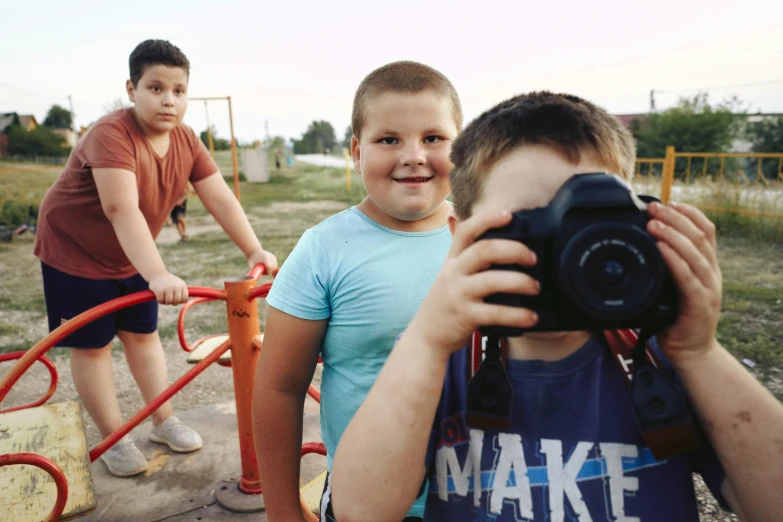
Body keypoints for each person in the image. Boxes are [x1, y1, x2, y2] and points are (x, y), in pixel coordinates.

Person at [330, 92, 783, 521]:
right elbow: (361, 512)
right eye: (530, 228)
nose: (563, 256)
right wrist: (426, 344)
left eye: (590, 226)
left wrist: (700, 352)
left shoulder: (666, 359)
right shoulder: (437, 365)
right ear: (459, 238)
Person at [34, 39, 278, 478]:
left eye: (179, 91)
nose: (169, 100)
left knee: (143, 336)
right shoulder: (111, 134)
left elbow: (219, 196)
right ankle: (113, 437)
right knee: (93, 348)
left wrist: (253, 247)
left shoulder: (186, 139)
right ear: (132, 89)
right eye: (156, 88)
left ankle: (164, 420)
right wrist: (158, 272)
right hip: (75, 250)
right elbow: (120, 209)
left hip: (130, 252)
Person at [252, 61, 463, 522]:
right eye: (389, 139)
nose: (413, 155)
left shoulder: (490, 235)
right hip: (367, 505)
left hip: (493, 497)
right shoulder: (323, 250)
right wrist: (283, 511)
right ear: (356, 152)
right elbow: (279, 388)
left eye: (433, 138)